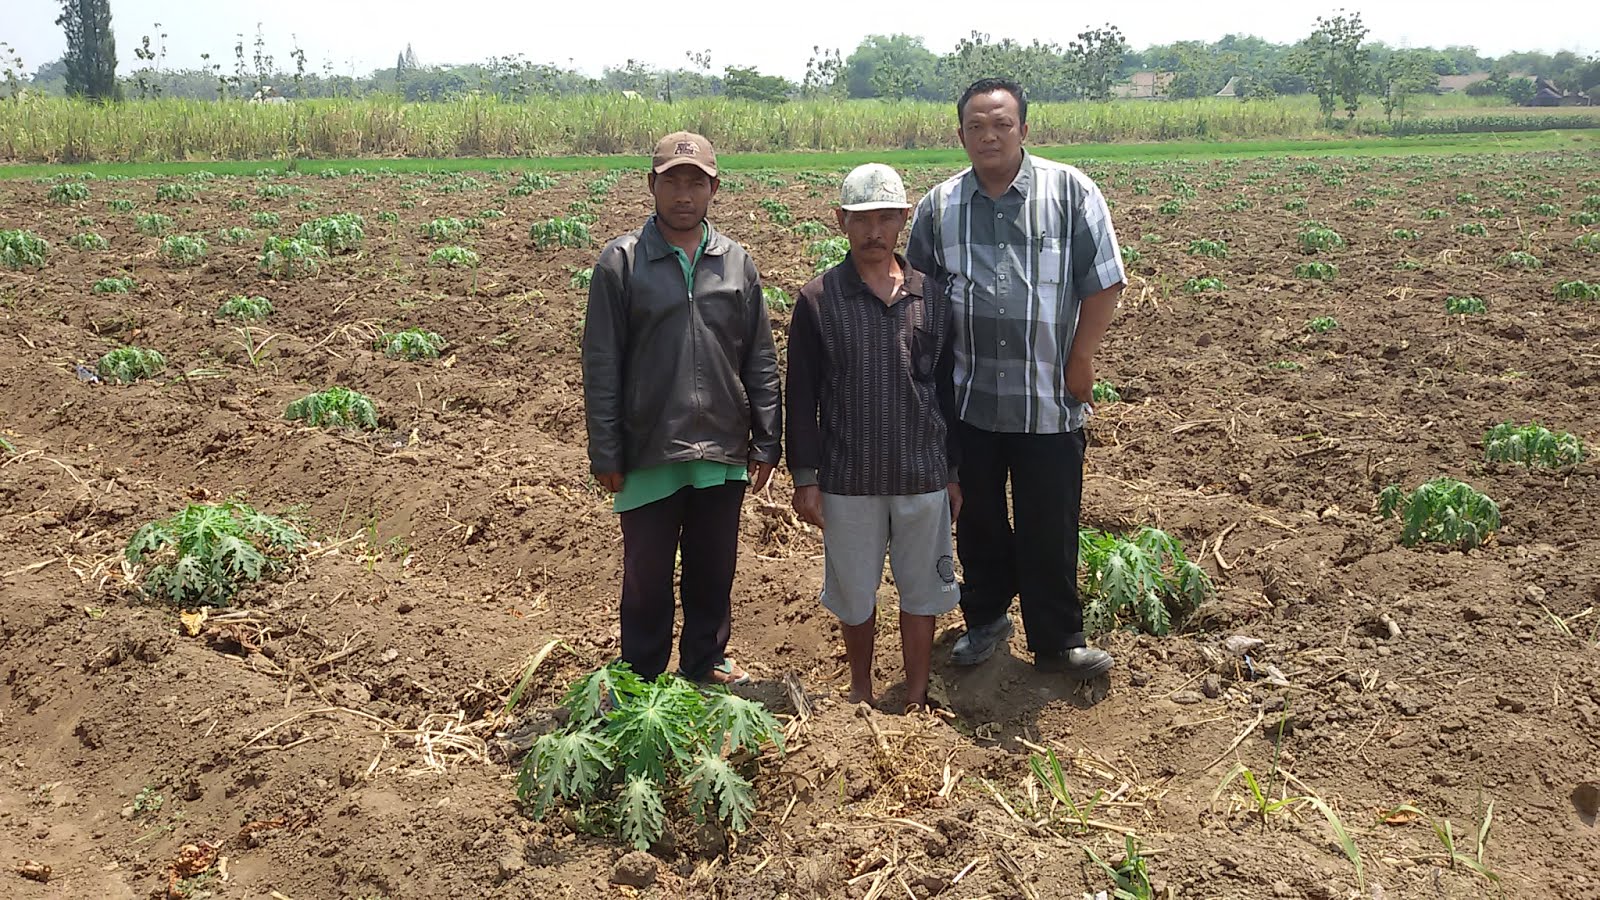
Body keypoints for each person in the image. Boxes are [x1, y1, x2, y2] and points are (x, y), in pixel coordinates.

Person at [907, 78, 1126, 680]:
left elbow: (1104, 280)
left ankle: (1057, 640)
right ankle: (985, 621)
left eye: (1000, 124)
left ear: (1024, 129)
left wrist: (1081, 358)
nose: (989, 135)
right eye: (976, 126)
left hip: (1047, 398)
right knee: (976, 519)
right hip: (969, 396)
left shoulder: (1071, 191)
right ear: (961, 135)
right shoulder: (939, 206)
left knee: (1049, 519)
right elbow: (919, 298)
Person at [581, 131, 782, 685]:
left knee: (712, 570)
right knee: (646, 575)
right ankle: (641, 672)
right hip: (649, 446)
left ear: (714, 189)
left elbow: (759, 356)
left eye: (696, 181)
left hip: (720, 441)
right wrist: (607, 449)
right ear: (652, 185)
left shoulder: (737, 263)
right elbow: (602, 364)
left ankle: (706, 663)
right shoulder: (621, 263)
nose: (684, 193)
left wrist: (768, 437)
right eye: (672, 180)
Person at [787, 163, 962, 712]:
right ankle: (860, 689)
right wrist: (806, 477)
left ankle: (914, 694)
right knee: (855, 595)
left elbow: (946, 389)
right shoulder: (818, 299)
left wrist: (953, 473)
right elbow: (801, 396)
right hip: (848, 478)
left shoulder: (930, 297)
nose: (874, 232)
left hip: (920, 473)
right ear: (841, 221)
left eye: (887, 218)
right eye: (862, 219)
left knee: (921, 591)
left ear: (904, 221)